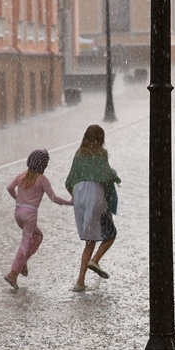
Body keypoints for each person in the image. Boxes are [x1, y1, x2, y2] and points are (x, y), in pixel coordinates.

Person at [5, 149, 73, 290]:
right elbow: (53, 198)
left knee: (38, 236)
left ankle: (22, 263)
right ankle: (13, 273)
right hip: (30, 215)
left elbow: (9, 187)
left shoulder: (22, 175)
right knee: (26, 242)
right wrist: (70, 202)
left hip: (18, 212)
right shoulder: (42, 179)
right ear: (44, 165)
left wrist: (17, 198)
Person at [65, 124, 120, 292]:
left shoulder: (79, 154)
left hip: (79, 195)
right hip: (95, 196)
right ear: (100, 139)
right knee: (110, 234)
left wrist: (76, 195)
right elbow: (106, 175)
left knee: (90, 240)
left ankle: (80, 281)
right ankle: (95, 260)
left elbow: (69, 181)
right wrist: (115, 176)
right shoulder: (101, 154)